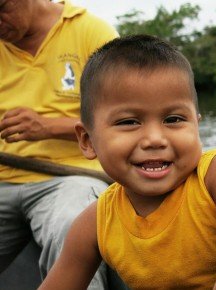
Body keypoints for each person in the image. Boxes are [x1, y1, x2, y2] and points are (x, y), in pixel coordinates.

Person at [39, 34, 216, 290]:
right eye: (129, 122)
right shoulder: (95, 222)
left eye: (173, 119)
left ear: (196, 125)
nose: (155, 139)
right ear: (87, 141)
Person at [0, 0, 119, 289]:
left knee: (72, 224)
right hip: (4, 179)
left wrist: (46, 126)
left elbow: (126, 118)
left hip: (73, 177)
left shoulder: (91, 32)